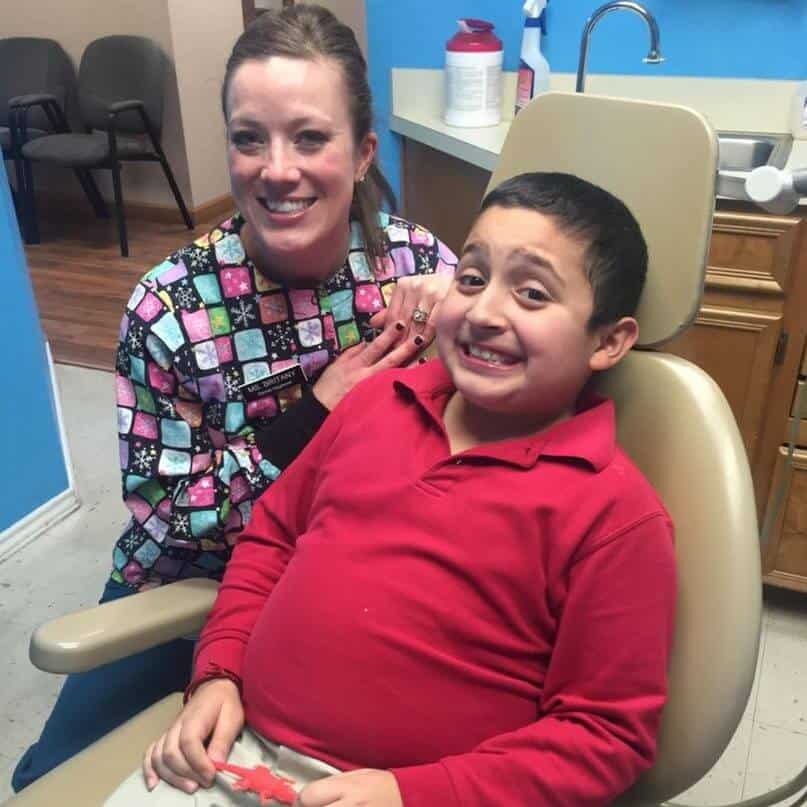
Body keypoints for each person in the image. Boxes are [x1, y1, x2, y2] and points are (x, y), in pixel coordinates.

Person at [106, 171, 677, 807]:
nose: (486, 312)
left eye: (533, 294)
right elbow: (270, 540)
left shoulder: (615, 517)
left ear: (608, 341)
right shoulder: (376, 402)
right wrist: (218, 672)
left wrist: (412, 793)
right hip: (238, 752)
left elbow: (605, 735)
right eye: (472, 278)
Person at [12, 4, 457, 792]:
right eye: (249, 138)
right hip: (195, 577)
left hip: (353, 579)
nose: (275, 169)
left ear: (361, 155)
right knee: (59, 779)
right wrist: (309, 415)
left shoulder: (416, 267)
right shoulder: (169, 307)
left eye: (309, 137)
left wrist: (466, 304)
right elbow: (169, 512)